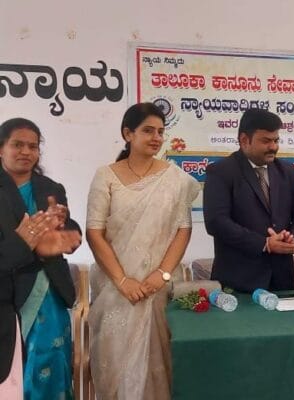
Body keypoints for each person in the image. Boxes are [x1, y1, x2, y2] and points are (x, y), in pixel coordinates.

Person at [86, 103, 199, 399]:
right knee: (117, 367)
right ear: (128, 134)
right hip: (116, 290)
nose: (156, 138)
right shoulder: (106, 175)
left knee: (157, 366)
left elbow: (183, 230)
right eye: (148, 131)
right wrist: (123, 281)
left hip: (157, 288)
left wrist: (161, 274)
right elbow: (94, 232)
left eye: (161, 132)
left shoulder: (175, 178)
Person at [0, 118, 82, 400]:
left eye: (33, 146)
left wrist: (65, 231)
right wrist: (24, 242)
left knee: (52, 368)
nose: (26, 151)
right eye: (17, 145)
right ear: (1, 148)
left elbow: (69, 232)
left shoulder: (51, 188)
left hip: (49, 291)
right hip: (7, 299)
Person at [203, 108, 294, 292]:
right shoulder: (221, 172)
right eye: (266, 141)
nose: (273, 147)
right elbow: (216, 223)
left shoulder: (287, 171)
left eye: (276, 140)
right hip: (239, 282)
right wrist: (264, 243)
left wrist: (291, 238)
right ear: (244, 140)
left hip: (281, 280)